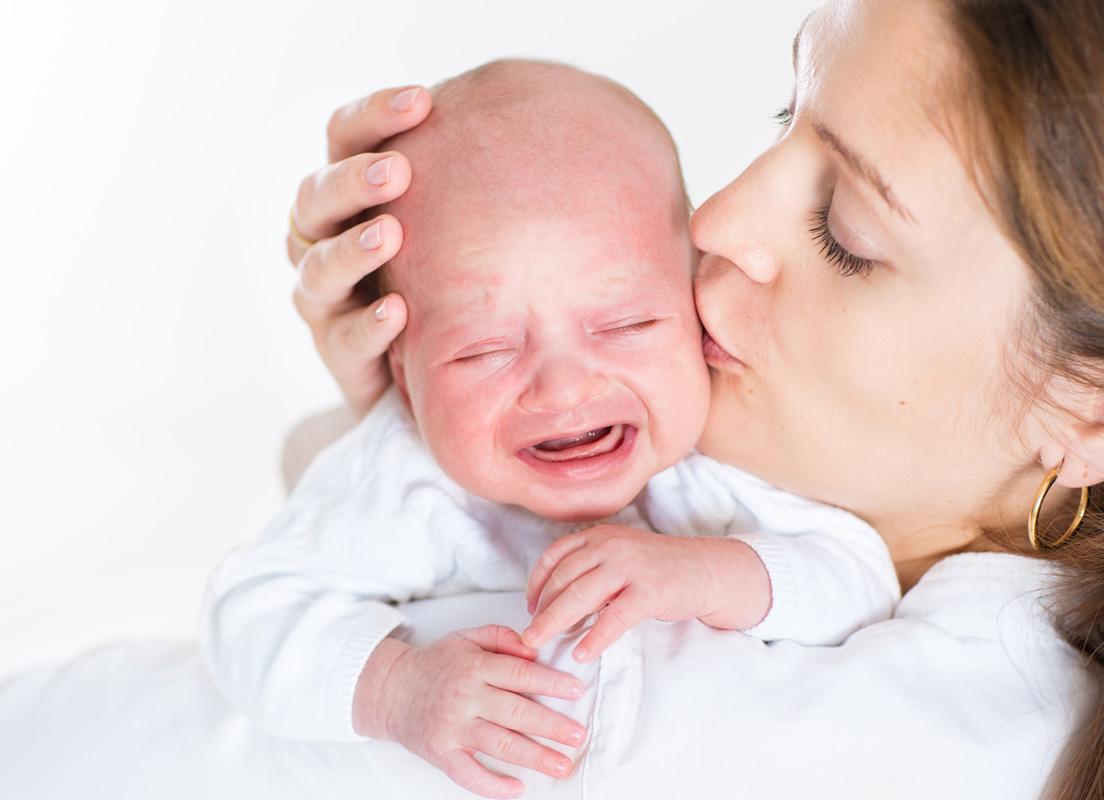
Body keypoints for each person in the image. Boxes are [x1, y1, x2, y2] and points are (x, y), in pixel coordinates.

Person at [0, 1, 1104, 799]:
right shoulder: (846, 504)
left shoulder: (812, 732)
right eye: (788, 120)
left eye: (847, 233)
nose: (714, 221)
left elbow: (180, 730)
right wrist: (408, 408)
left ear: (1101, 411)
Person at [204, 58, 897, 798]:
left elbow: (861, 579)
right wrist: (394, 689)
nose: (565, 387)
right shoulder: (402, 476)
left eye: (628, 323)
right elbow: (249, 612)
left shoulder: (717, 450)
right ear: (403, 372)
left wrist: (707, 571)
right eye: (485, 350)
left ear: (696, 300)